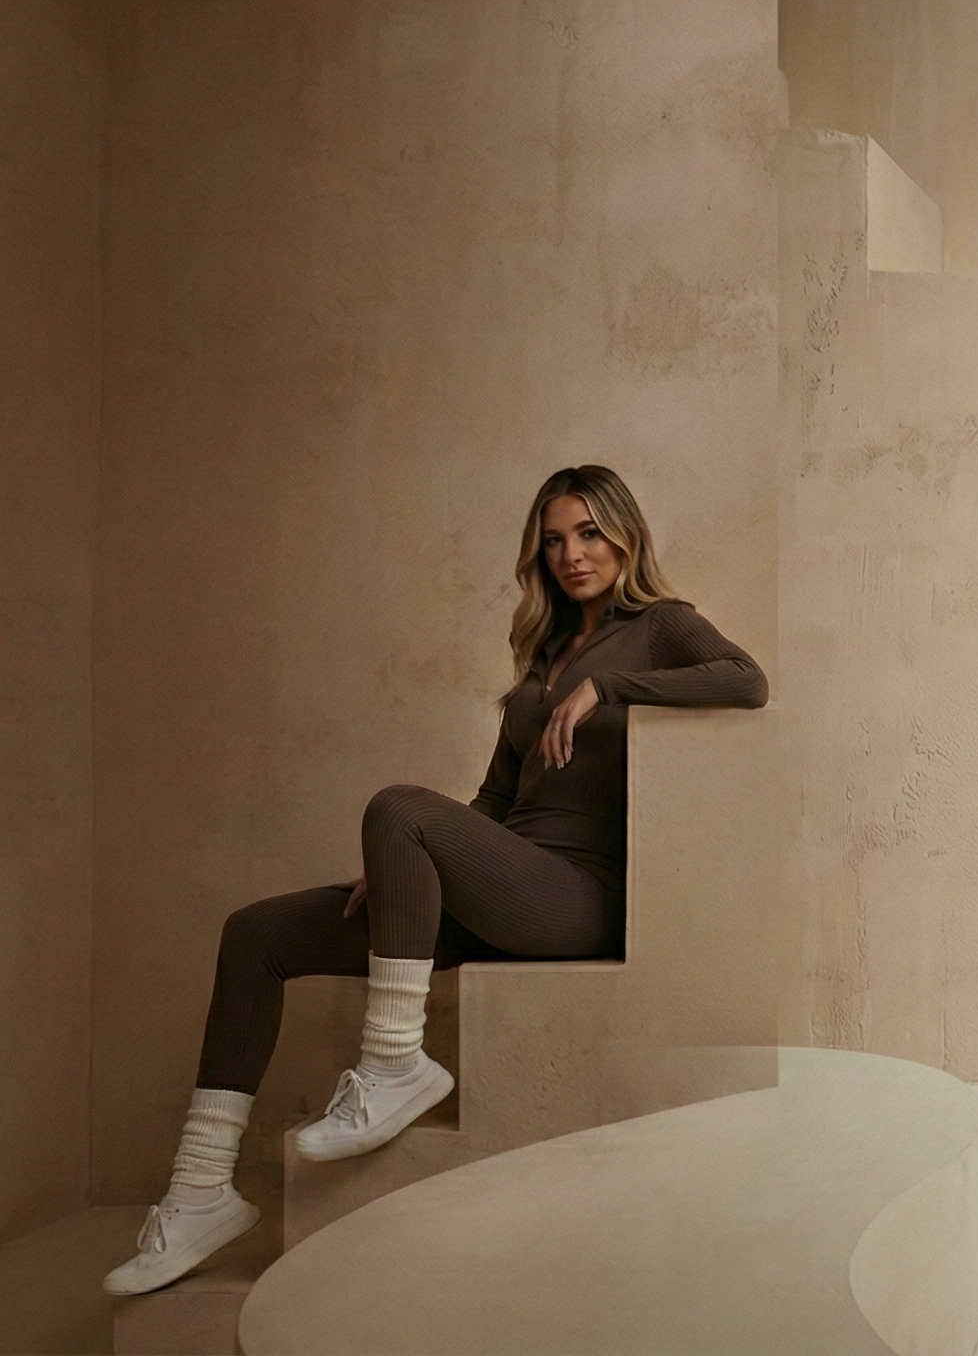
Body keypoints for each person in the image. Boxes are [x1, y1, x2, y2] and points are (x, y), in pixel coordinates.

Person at [106, 465, 768, 1294]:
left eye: (589, 532)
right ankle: (200, 1188)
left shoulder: (662, 626)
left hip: (574, 899)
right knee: (256, 934)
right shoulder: (542, 656)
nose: (572, 555)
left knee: (399, 805)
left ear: (626, 533)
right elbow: (494, 799)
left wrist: (607, 685)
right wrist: (404, 863)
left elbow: (746, 680)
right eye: (554, 540)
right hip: (507, 879)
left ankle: (394, 1065)